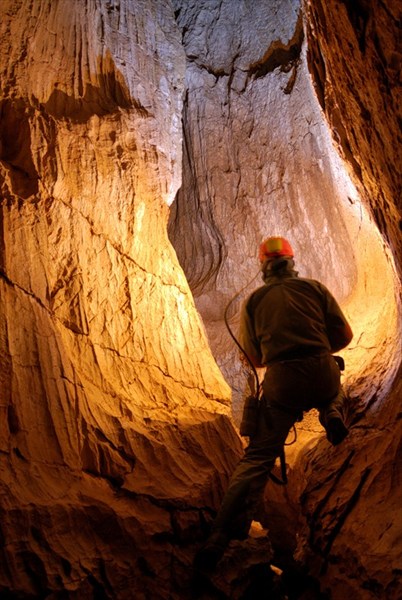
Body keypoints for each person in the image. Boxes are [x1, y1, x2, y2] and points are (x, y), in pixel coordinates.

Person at [194, 236, 353, 571]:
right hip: (321, 367)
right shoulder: (315, 289)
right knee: (335, 382)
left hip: (283, 381)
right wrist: (319, 347)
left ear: (262, 265)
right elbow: (344, 337)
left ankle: (219, 537)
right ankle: (332, 411)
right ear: (291, 261)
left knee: (257, 458)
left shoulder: (254, 301)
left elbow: (253, 357)